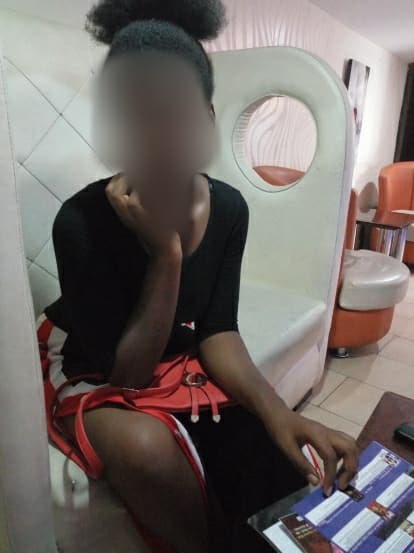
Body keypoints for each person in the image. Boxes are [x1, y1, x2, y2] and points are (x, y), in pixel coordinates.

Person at [37, 1, 359, 552]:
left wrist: (279, 415)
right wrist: (167, 256)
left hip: (169, 349)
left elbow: (218, 330)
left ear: (208, 121)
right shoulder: (80, 222)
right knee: (144, 449)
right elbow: (128, 374)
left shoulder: (229, 209)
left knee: (263, 455)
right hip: (96, 361)